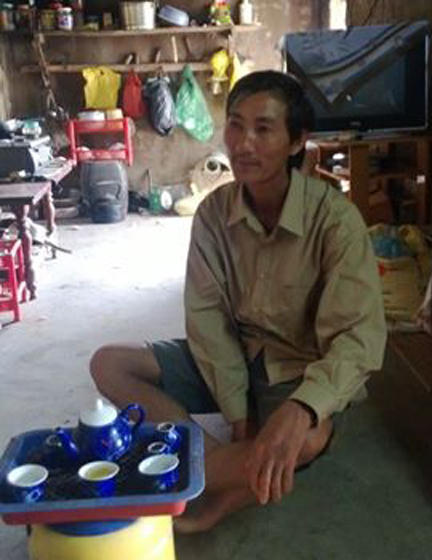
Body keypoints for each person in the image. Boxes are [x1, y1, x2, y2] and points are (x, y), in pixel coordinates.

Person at [90, 70, 387, 533]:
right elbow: (207, 317)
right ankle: (214, 469)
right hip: (230, 357)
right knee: (110, 364)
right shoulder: (213, 214)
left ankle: (206, 490)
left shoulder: (335, 221)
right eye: (235, 125)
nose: (244, 144)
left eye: (264, 128)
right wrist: (239, 413)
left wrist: (303, 407)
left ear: (297, 141)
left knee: (310, 436)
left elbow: (358, 337)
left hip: (297, 371)